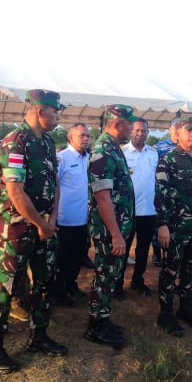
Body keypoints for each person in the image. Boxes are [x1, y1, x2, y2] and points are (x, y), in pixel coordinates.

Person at [0, 89, 68, 373]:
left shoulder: (45, 142)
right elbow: (15, 191)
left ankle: (38, 336)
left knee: (44, 283)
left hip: (44, 227)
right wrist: (41, 224)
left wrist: (52, 219)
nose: (58, 117)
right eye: (56, 112)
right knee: (5, 287)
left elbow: (55, 183)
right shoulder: (14, 142)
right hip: (18, 228)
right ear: (40, 111)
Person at [154, 117, 192, 336]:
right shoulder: (168, 160)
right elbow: (160, 194)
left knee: (190, 270)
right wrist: (162, 225)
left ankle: (186, 308)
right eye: (189, 131)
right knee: (170, 270)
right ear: (178, 133)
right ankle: (166, 314)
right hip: (175, 227)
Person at [85, 104, 139, 349]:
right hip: (109, 230)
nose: (133, 128)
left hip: (116, 227)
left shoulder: (113, 148)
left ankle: (103, 317)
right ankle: (95, 326)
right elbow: (103, 197)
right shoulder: (104, 151)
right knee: (105, 275)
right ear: (118, 124)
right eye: (130, 124)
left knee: (110, 274)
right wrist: (116, 234)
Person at [53, 123, 91, 305]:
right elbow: (53, 188)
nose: (86, 139)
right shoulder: (62, 158)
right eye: (82, 135)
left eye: (88, 136)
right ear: (70, 137)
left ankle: (71, 284)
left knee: (77, 256)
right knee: (62, 257)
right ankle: (58, 291)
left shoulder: (89, 158)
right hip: (64, 219)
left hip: (82, 219)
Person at [121, 118, 158, 297]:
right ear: (131, 132)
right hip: (128, 211)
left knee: (143, 249)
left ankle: (138, 281)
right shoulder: (122, 153)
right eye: (136, 130)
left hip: (149, 211)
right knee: (123, 249)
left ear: (147, 133)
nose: (140, 134)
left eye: (143, 131)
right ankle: (117, 283)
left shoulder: (154, 153)